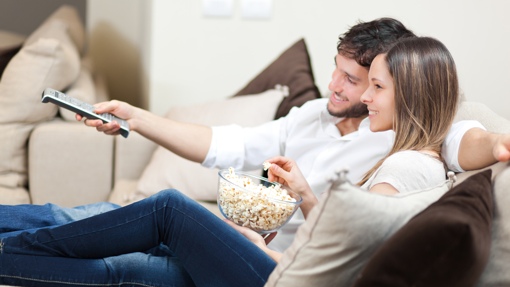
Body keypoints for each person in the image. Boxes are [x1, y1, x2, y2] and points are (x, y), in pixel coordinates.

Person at [0, 36, 461, 287]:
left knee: (168, 211)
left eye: (371, 85)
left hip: (284, 282)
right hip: (275, 263)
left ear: (412, 95)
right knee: (108, 238)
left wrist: (273, 243)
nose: (356, 94)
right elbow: (344, 239)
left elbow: (349, 261)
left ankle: (14, 245)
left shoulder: (407, 161)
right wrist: (136, 118)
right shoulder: (324, 118)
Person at [79, 19, 510, 252]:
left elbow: (458, 139)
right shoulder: (313, 114)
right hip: (245, 239)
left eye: (356, 80)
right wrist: (136, 118)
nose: (334, 86)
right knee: (87, 216)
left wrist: (495, 143)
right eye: (336, 70)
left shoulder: (401, 138)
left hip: (268, 259)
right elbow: (229, 145)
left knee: (146, 221)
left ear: (393, 81)